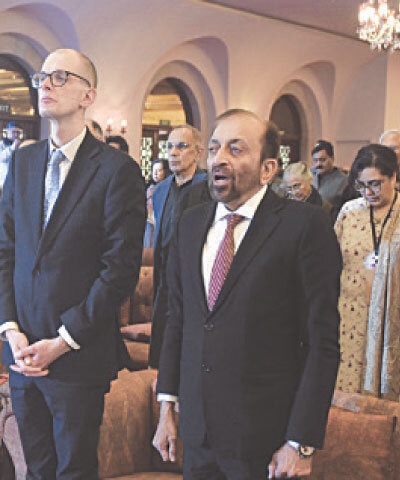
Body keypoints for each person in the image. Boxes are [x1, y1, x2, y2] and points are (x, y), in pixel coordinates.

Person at [154, 109, 342, 479]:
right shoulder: (191, 224)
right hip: (198, 434)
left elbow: (322, 342)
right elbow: (178, 320)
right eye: (214, 149)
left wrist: (300, 443)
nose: (219, 159)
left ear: (268, 169)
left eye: (235, 149)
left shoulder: (304, 227)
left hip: (265, 439)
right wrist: (167, 407)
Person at [0, 48, 145, 479]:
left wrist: (61, 341)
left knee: (73, 471)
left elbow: (119, 270)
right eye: (42, 76)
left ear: (87, 95)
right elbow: (4, 250)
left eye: (60, 77)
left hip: (76, 352)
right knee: (35, 469)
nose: (46, 84)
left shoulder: (115, 170)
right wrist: (10, 329)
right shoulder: (23, 162)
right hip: (22, 350)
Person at [334, 144, 399, 397]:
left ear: (393, 176)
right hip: (349, 317)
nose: (368, 192)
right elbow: (331, 261)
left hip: (391, 322)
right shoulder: (349, 212)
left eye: (375, 184)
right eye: (361, 185)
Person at [148, 124, 207, 368]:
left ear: (198, 152)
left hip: (195, 276)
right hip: (164, 274)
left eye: (181, 146)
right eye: (170, 146)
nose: (173, 152)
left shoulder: (209, 188)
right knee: (162, 338)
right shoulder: (161, 189)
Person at [312, 140, 349, 215]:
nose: (318, 164)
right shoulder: (308, 176)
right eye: (315, 160)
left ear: (332, 159)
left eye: (322, 160)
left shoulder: (344, 181)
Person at [143, 158, 171, 248]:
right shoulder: (149, 187)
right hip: (148, 222)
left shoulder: (169, 188)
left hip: (160, 223)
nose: (155, 173)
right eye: (153, 170)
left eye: (159, 170)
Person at [0, 122, 23, 188]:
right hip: (5, 179)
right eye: (13, 132)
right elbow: (0, 158)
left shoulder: (22, 145)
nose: (16, 135)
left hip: (18, 179)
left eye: (18, 132)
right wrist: (12, 148)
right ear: (7, 132)